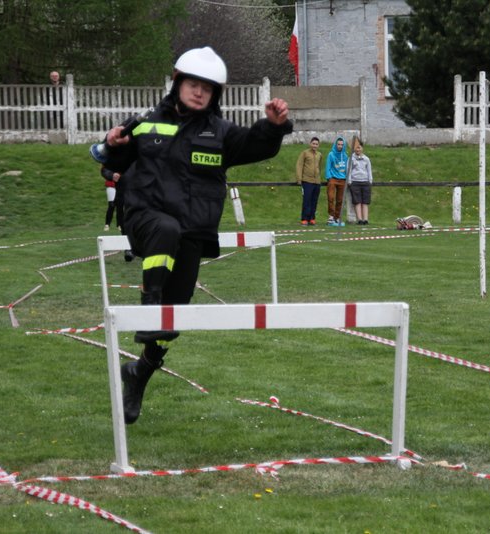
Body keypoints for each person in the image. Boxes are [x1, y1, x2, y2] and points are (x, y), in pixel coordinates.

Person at [99, 46, 292, 424]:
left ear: (215, 94)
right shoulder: (147, 124)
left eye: (207, 87)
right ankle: (149, 308)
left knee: (175, 320)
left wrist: (272, 126)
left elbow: (256, 145)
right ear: (178, 83)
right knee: (164, 233)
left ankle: (139, 372)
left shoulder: (220, 134)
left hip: (191, 233)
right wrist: (111, 144)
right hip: (144, 219)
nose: (199, 92)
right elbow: (113, 160)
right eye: (193, 84)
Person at [295, 137, 323, 225]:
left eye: (316, 144)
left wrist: (319, 177)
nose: (315, 145)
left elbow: (319, 166)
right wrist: (299, 178)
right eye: (313, 143)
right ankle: (304, 219)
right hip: (307, 181)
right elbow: (299, 165)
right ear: (310, 144)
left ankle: (312, 218)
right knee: (307, 200)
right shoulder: (305, 153)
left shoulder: (319, 155)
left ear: (318, 145)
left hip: (317, 182)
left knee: (314, 201)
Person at [348, 139, 373, 225]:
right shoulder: (351, 158)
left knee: (365, 201)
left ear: (362, 148)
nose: (357, 149)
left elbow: (369, 170)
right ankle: (359, 219)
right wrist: (349, 180)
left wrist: (370, 180)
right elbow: (349, 170)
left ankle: (365, 219)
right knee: (357, 201)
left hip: (365, 182)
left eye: (359, 147)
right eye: (356, 148)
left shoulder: (366, 159)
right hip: (355, 182)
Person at [325, 136, 349, 226]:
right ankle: (331, 217)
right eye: (338, 144)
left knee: (340, 200)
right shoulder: (331, 154)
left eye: (342, 145)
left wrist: (347, 178)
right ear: (336, 145)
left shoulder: (345, 156)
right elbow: (328, 166)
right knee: (331, 197)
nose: (340, 146)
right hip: (333, 179)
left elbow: (347, 168)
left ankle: (337, 217)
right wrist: (329, 177)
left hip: (342, 179)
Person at [100, 166, 123, 231]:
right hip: (111, 185)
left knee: (120, 206)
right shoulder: (109, 162)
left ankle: (119, 224)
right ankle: (107, 224)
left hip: (121, 186)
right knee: (111, 205)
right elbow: (105, 171)